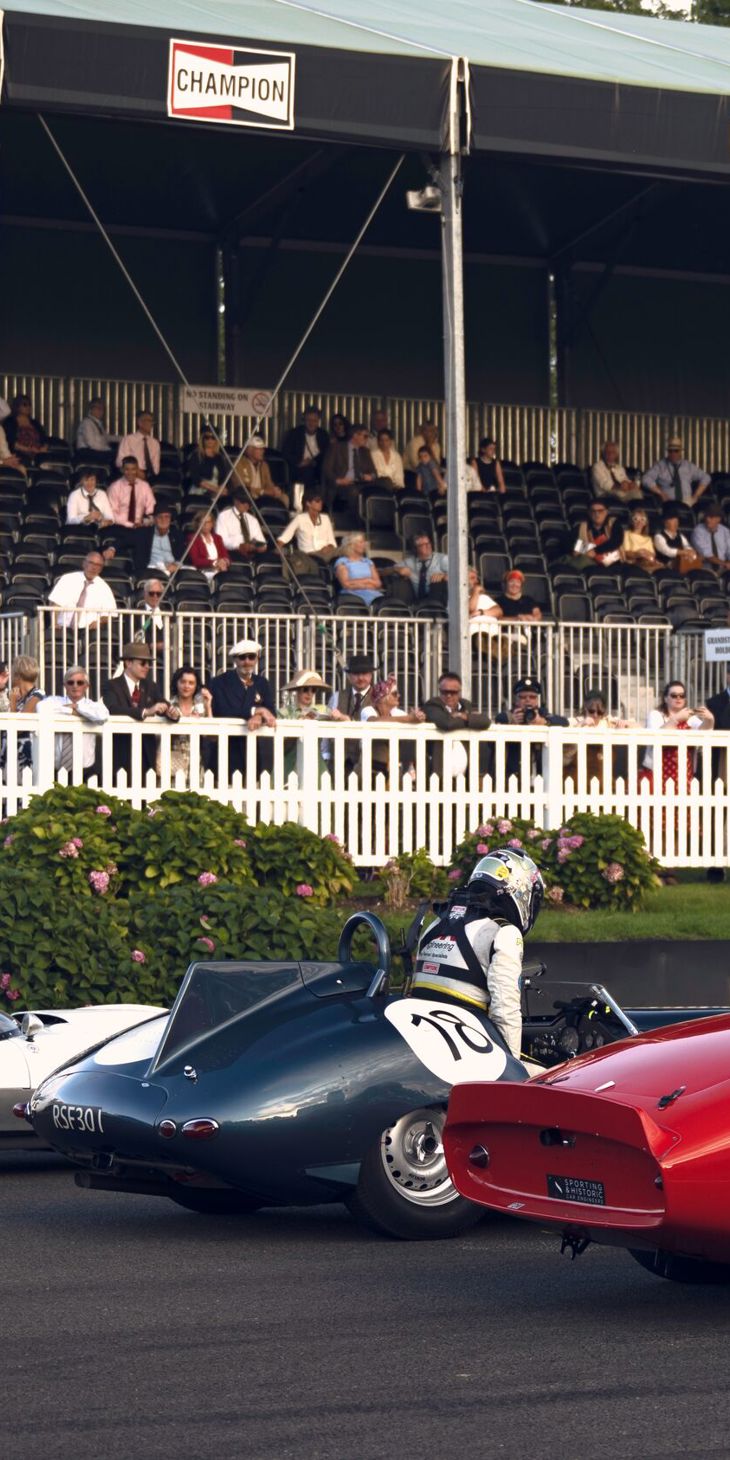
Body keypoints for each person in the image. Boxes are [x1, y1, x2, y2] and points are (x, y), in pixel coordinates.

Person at [411, 848, 545, 1059]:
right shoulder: (504, 933)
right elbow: (505, 1012)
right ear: (520, 889)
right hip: (464, 1051)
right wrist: (513, 1069)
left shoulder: (435, 924)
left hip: (423, 1044)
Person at [102, 641, 176, 776]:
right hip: (120, 750)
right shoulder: (112, 685)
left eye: (148, 663)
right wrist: (145, 712)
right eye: (143, 663)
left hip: (146, 752)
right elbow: (113, 709)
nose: (147, 667)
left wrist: (172, 713)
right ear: (128, 663)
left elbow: (163, 704)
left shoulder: (151, 686)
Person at [210, 639, 276, 776]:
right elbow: (223, 711)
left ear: (257, 659)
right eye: (242, 657)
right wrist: (256, 710)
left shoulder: (262, 683)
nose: (247, 661)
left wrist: (258, 716)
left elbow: (271, 712)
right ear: (235, 660)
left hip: (253, 749)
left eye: (251, 657)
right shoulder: (219, 682)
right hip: (226, 748)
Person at [37, 665, 109, 780]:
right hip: (57, 768)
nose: (75, 686)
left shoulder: (92, 705)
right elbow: (41, 707)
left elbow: (103, 716)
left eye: (80, 683)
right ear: (65, 685)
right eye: (70, 682)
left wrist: (78, 708)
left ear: (87, 686)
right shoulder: (55, 701)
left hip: (85, 769)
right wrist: (71, 711)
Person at [495, 676, 568, 781]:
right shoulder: (507, 716)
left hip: (540, 773)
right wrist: (512, 723)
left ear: (537, 700)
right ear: (516, 700)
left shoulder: (542, 714)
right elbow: (498, 721)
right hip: (514, 774)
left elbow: (564, 722)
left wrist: (544, 722)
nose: (528, 700)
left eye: (532, 697)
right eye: (523, 697)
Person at [423, 671, 491, 778]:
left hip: (464, 776)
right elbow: (446, 723)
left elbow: (485, 721)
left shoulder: (466, 705)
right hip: (440, 772)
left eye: (453, 692)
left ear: (459, 692)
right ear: (439, 691)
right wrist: (469, 720)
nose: (448, 695)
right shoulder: (432, 704)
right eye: (444, 692)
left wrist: (464, 716)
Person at [360, 675, 425, 781]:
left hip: (393, 760)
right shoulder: (368, 710)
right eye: (395, 693)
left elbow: (411, 723)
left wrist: (418, 717)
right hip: (370, 760)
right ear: (383, 697)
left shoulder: (398, 713)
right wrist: (409, 718)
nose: (399, 695)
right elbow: (374, 721)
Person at [155, 664, 213, 780]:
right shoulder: (168, 706)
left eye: (191, 683)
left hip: (195, 766)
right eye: (183, 682)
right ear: (176, 683)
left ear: (196, 686)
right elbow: (157, 735)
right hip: (171, 765)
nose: (186, 686)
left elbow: (211, 736)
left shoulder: (200, 708)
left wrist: (208, 706)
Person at [48, 551, 117, 631]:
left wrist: (99, 621)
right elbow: (55, 604)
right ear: (84, 564)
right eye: (91, 563)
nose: (94, 567)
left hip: (89, 630)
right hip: (63, 628)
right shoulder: (68, 579)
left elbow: (110, 613)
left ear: (101, 569)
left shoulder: (104, 587)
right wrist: (54, 623)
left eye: (98, 565)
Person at [322, 423, 376, 519]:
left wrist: (370, 476)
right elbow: (326, 469)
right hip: (343, 484)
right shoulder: (337, 447)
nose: (367, 439)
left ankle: (376, 520)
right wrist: (338, 480)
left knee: (383, 484)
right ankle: (356, 521)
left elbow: (374, 473)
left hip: (361, 483)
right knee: (354, 491)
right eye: (365, 436)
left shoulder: (365, 451)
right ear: (355, 435)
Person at [276, 489, 337, 569]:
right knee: (345, 551)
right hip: (309, 554)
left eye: (321, 501)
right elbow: (285, 537)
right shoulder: (300, 518)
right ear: (308, 503)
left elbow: (332, 542)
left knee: (347, 549)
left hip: (326, 553)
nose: (320, 503)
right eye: (317, 501)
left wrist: (329, 547)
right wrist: (278, 549)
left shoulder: (325, 518)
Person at [643, 437, 711, 507]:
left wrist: (696, 495)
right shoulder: (660, 466)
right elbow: (646, 479)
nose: (673, 453)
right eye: (670, 451)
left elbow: (706, 477)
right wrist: (660, 493)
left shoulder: (688, 466)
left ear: (681, 451)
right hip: (668, 502)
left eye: (676, 451)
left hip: (687, 502)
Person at [5, 655, 44, 775]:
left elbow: (19, 727)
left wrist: (12, 703)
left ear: (18, 675)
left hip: (25, 752)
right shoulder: (17, 696)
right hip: (10, 750)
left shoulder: (37, 695)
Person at [392, 531, 448, 609]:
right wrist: (396, 569)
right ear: (415, 548)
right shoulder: (409, 562)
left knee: (437, 584)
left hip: (437, 597)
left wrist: (443, 576)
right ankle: (403, 611)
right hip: (415, 599)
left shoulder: (442, 559)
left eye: (428, 543)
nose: (428, 546)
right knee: (400, 582)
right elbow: (382, 571)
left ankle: (435, 611)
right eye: (423, 545)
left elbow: (459, 576)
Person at [281, 406, 329, 494]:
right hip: (299, 467)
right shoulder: (294, 434)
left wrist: (314, 461)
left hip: (319, 466)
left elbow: (327, 453)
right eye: (309, 420)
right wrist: (299, 462)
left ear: (318, 421)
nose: (311, 423)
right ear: (304, 420)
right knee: (307, 472)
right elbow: (286, 453)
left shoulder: (323, 435)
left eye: (314, 421)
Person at [132, 504, 185, 577]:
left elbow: (183, 555)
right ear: (154, 519)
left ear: (170, 519)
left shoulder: (177, 534)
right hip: (152, 570)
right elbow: (124, 541)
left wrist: (176, 565)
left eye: (167, 517)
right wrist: (114, 548)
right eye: (160, 517)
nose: (163, 520)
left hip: (173, 570)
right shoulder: (143, 533)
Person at [233, 436, 288, 506]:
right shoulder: (239, 463)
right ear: (249, 450)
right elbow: (241, 488)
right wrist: (262, 491)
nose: (263, 451)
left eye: (262, 449)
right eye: (259, 449)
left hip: (263, 497)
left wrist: (274, 490)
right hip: (247, 497)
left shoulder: (264, 465)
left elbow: (269, 483)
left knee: (284, 497)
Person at [334, 532, 383, 607]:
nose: (365, 544)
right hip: (351, 595)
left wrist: (357, 584)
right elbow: (346, 584)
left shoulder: (368, 562)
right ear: (352, 545)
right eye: (361, 542)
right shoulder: (343, 562)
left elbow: (378, 583)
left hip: (373, 593)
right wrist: (368, 580)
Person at [572, 500, 624, 570]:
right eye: (593, 511)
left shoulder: (613, 523)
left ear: (607, 512)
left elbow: (616, 541)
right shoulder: (582, 526)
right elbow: (572, 544)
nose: (597, 514)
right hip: (589, 560)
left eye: (600, 511)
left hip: (611, 560)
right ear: (589, 513)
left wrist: (595, 550)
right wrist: (586, 550)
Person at [108, 458, 156, 533]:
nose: (130, 472)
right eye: (127, 469)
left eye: (133, 469)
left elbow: (151, 508)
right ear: (122, 470)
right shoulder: (114, 487)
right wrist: (130, 525)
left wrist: (144, 522)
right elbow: (112, 513)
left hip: (142, 527)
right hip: (121, 527)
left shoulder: (145, 486)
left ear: (137, 470)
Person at [216, 488, 267, 558]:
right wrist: (238, 546)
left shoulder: (253, 520)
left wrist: (260, 546)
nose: (246, 505)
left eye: (249, 503)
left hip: (253, 552)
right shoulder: (223, 516)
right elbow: (221, 540)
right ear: (235, 501)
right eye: (243, 502)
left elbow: (261, 540)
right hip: (232, 552)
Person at [653, 506, 702, 573]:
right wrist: (683, 552)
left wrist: (690, 552)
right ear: (665, 523)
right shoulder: (659, 537)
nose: (675, 523)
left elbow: (687, 546)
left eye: (676, 520)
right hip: (665, 569)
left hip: (681, 567)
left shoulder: (681, 536)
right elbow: (667, 551)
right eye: (672, 520)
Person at [328, 653, 376, 720]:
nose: (360, 678)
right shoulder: (337, 697)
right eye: (356, 673)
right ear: (349, 676)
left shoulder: (381, 698)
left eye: (364, 673)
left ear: (371, 675)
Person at [116, 410, 161, 480]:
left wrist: (149, 476)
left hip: (149, 476)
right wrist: (137, 471)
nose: (151, 424)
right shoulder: (128, 440)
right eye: (149, 421)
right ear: (140, 423)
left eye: (152, 421)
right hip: (131, 473)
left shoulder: (155, 443)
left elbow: (156, 468)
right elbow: (120, 461)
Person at [2, 395, 48, 462]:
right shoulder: (10, 422)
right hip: (19, 454)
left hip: (38, 453)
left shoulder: (35, 423)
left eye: (29, 405)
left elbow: (44, 438)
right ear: (17, 406)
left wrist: (43, 449)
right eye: (24, 405)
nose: (28, 407)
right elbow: (10, 441)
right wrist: (27, 449)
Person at [690, 501, 730, 575]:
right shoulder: (698, 531)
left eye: (711, 517)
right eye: (707, 516)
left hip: (724, 569)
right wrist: (724, 563)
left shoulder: (725, 531)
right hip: (704, 569)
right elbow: (706, 554)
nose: (708, 519)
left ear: (718, 519)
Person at [187, 428, 228, 499]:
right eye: (207, 437)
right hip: (200, 491)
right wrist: (215, 489)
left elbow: (223, 477)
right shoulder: (196, 456)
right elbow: (196, 479)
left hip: (217, 491)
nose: (210, 440)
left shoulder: (220, 457)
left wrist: (222, 489)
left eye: (213, 437)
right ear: (202, 439)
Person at [187, 510, 230, 577]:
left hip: (220, 570)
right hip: (204, 572)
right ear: (198, 524)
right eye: (202, 522)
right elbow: (196, 560)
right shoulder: (193, 538)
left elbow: (226, 556)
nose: (205, 525)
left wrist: (224, 562)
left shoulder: (218, 538)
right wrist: (214, 562)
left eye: (208, 522)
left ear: (212, 524)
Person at [621, 506, 661, 573]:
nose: (639, 522)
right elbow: (626, 552)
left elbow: (652, 555)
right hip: (633, 565)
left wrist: (645, 553)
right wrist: (638, 554)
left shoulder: (648, 538)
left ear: (645, 523)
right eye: (636, 519)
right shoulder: (627, 534)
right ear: (631, 521)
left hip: (648, 564)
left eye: (642, 519)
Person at [468, 566, 503, 640]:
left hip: (492, 638)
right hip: (473, 638)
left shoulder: (483, 597)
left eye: (476, 578)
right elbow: (470, 608)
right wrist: (476, 591)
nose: (476, 581)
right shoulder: (457, 599)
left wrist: (481, 612)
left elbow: (499, 611)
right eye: (472, 578)